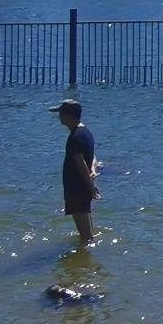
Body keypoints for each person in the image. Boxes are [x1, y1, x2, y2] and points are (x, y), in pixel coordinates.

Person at [51, 100, 99, 244]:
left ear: (68, 116)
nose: (59, 116)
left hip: (77, 190)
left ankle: (87, 263)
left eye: (61, 113)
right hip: (82, 188)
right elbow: (93, 157)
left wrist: (91, 188)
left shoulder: (75, 137)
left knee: (86, 237)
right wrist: (93, 170)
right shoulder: (85, 132)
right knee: (88, 232)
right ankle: (86, 262)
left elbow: (80, 162)